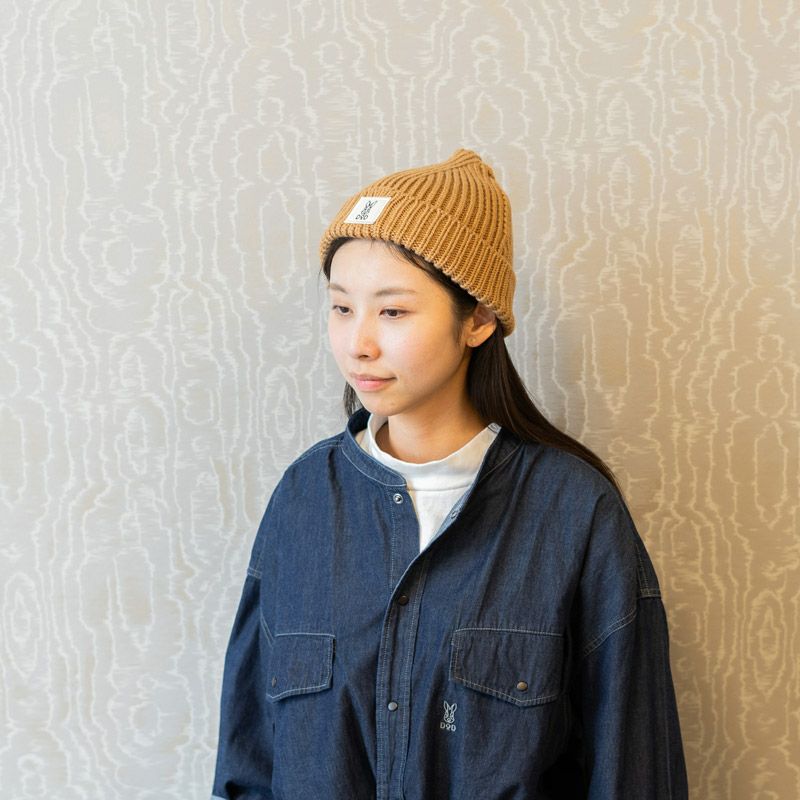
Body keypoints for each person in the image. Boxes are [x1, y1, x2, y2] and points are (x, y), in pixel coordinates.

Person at [210, 148, 688, 799]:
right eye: (342, 308)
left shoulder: (573, 512)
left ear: (479, 319)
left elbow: (633, 771)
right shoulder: (302, 501)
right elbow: (248, 765)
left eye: (393, 311)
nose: (358, 344)